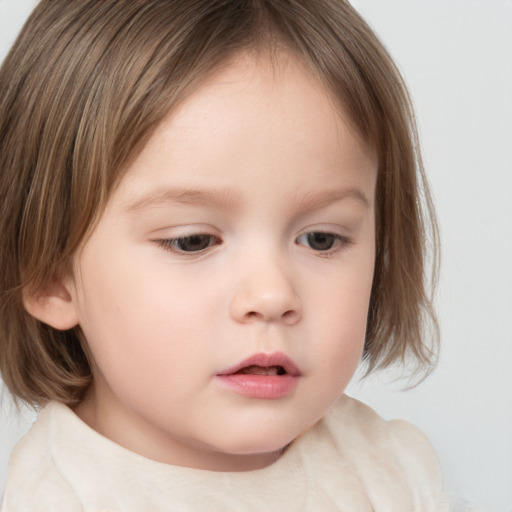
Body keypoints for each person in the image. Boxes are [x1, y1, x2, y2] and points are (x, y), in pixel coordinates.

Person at [0, 0, 449, 510]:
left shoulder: (386, 468)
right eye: (193, 240)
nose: (272, 295)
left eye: (321, 239)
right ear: (50, 274)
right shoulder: (63, 499)